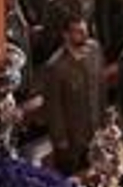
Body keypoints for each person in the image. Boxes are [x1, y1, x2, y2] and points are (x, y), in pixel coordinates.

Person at [39, 17, 106, 174]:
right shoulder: (55, 67)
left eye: (85, 31)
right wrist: (60, 139)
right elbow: (53, 109)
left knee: (96, 173)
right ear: (66, 35)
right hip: (73, 137)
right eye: (79, 32)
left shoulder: (95, 49)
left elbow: (101, 87)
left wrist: (103, 120)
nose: (84, 36)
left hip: (95, 129)